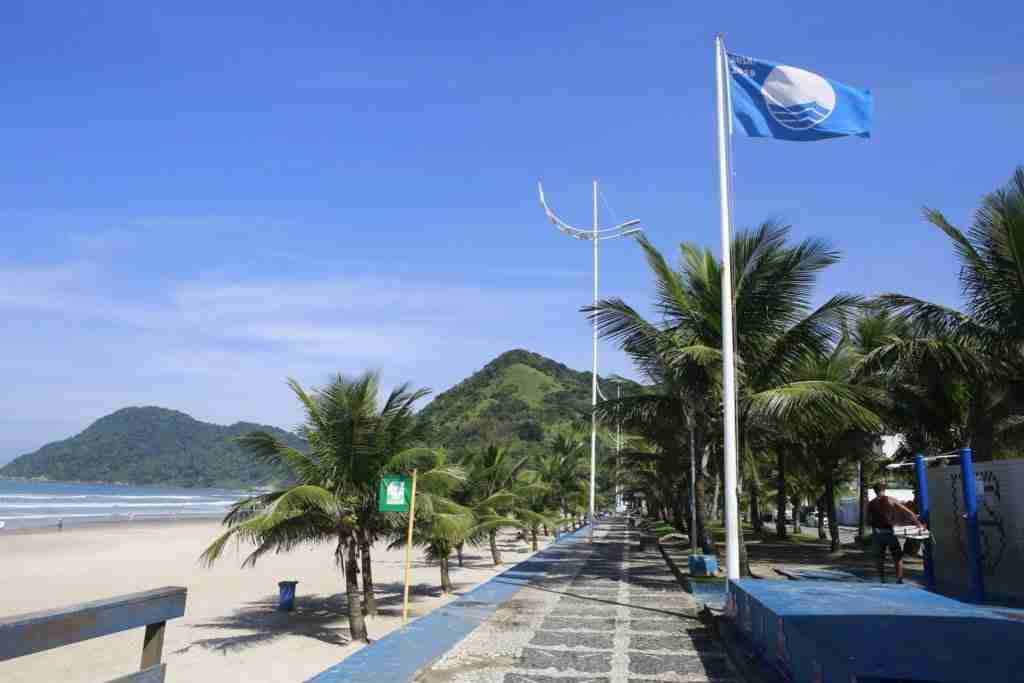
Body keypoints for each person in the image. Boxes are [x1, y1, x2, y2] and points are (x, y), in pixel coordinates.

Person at [866, 481, 924, 583]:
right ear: (884, 490)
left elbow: (868, 520)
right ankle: (899, 580)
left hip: (877, 534)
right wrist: (917, 523)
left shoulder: (870, 504)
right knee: (897, 557)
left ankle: (881, 579)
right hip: (889, 532)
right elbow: (907, 512)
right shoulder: (890, 499)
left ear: (875, 491)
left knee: (879, 558)